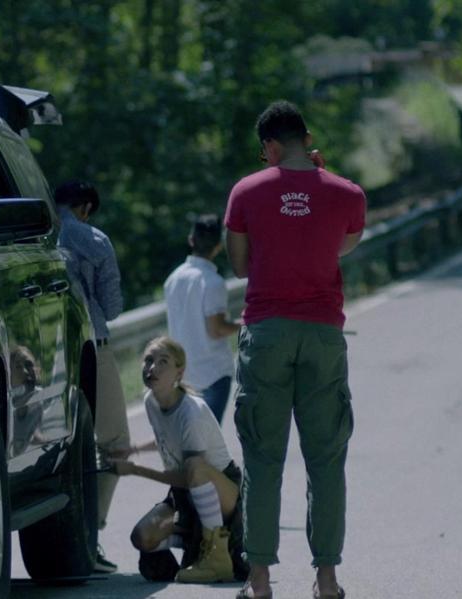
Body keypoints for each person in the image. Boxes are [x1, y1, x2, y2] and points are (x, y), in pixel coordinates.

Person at [224, 100, 366, 599]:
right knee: (326, 459)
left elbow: (240, 266)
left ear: (269, 146)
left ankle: (260, 581)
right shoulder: (348, 194)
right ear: (308, 139)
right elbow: (340, 247)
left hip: (266, 332)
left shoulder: (245, 191)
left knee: (263, 458)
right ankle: (326, 580)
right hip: (324, 333)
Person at [110, 336, 247, 584]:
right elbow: (167, 438)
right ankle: (192, 544)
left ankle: (218, 557)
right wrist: (133, 449)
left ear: (179, 373)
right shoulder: (150, 401)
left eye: (163, 362)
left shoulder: (191, 412)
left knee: (195, 466)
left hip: (222, 492)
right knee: (142, 537)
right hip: (186, 494)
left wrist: (135, 470)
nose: (152, 368)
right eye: (148, 361)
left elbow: (190, 475)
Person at [54, 180, 130, 574]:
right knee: (115, 444)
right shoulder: (94, 239)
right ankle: (90, 537)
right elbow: (113, 307)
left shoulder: (35, 234)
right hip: (92, 348)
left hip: (47, 353)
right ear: (84, 208)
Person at [163, 214, 241, 423]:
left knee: (189, 440)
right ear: (219, 245)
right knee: (207, 441)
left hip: (183, 374)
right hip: (213, 374)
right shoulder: (212, 281)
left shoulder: (172, 279)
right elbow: (216, 329)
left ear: (191, 240)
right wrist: (243, 323)